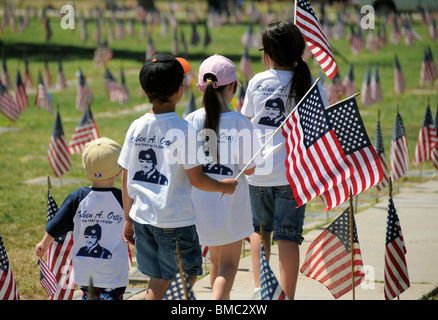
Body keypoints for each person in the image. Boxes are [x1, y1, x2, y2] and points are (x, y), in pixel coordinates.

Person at [118, 53, 237, 300]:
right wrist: (223, 186)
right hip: (175, 221)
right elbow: (198, 179)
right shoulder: (184, 129)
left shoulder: (136, 126)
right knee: (185, 276)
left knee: (158, 278)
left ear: (144, 89)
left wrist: (128, 218)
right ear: (179, 90)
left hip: (143, 220)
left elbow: (126, 176)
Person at [240, 21, 329, 300]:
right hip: (294, 174)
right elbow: (321, 132)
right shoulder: (312, 86)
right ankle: (286, 296)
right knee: (288, 236)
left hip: (259, 172)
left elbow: (247, 123)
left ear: (267, 53)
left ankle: (260, 290)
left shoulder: (256, 82)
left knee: (260, 231)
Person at [185, 54, 260, 300]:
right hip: (230, 206)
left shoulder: (189, 121)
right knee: (228, 265)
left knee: (216, 263)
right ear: (233, 87)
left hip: (198, 206)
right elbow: (250, 169)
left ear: (199, 87)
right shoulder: (240, 122)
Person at [35, 137, 129, 300]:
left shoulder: (77, 197)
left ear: (86, 170)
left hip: (85, 272)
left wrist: (44, 244)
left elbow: (57, 224)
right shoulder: (123, 199)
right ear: (120, 170)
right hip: (113, 273)